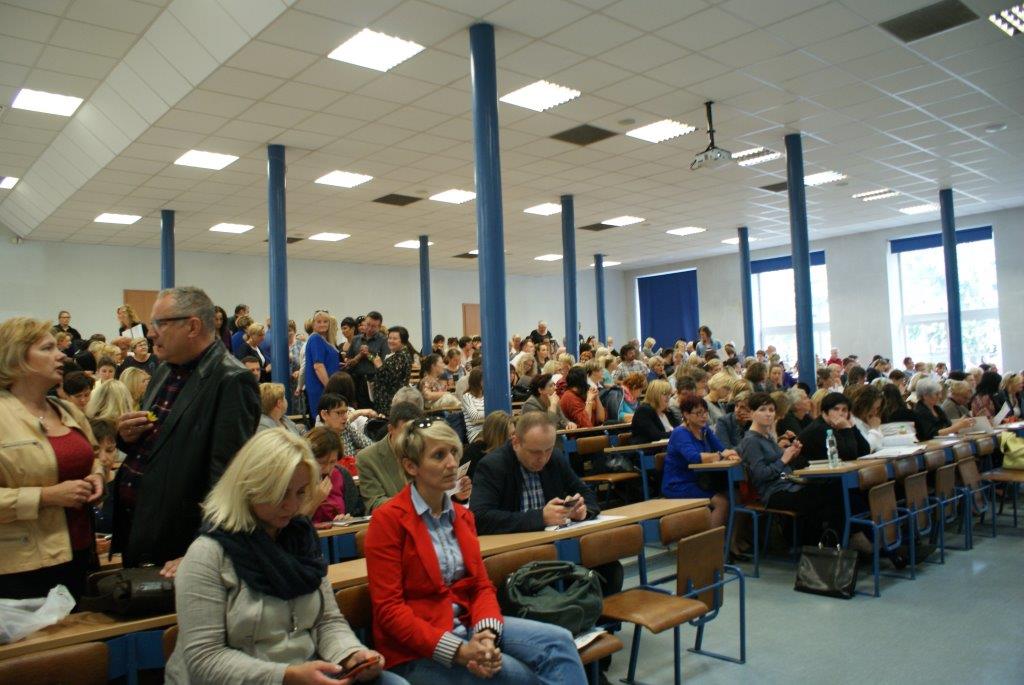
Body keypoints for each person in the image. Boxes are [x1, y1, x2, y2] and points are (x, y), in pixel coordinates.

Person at [165, 429, 399, 685]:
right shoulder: (207, 555)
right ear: (249, 487)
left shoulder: (300, 540)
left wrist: (351, 655)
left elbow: (327, 621)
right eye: (281, 494)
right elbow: (205, 659)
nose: (293, 506)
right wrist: (286, 675)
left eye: (301, 492)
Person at [365, 417, 585, 684]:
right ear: (411, 466)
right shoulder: (388, 520)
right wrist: (460, 651)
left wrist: (487, 634)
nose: (451, 463)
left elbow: (480, 586)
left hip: (468, 624)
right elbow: (390, 611)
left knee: (560, 644)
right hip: (416, 647)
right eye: (439, 455)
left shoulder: (462, 516)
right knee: (519, 676)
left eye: (453, 452)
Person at [113, 286, 260, 574]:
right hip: (142, 530)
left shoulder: (231, 380)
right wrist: (128, 437)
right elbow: (161, 443)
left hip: (181, 545)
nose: (150, 333)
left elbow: (227, 479)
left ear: (193, 326)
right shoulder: (165, 369)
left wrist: (204, 548)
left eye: (160, 323)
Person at [0, 317, 105, 600]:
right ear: (16, 359)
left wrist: (97, 476)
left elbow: (93, 457)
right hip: (21, 567)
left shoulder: (67, 411)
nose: (61, 355)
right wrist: (46, 496)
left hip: (80, 551)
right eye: (47, 349)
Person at [740, 393, 866, 547]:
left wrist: (793, 455)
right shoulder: (751, 441)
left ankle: (834, 543)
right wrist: (784, 459)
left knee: (835, 489)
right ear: (752, 413)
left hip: (790, 485)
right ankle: (836, 543)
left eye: (771, 410)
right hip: (774, 493)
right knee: (835, 493)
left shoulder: (767, 437)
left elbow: (782, 464)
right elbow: (760, 475)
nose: (768, 414)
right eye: (762, 409)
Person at [470, 412, 599, 535]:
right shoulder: (493, 466)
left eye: (548, 450)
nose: (543, 458)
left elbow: (587, 494)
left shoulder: (555, 458)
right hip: (512, 546)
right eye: (534, 452)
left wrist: (583, 510)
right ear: (515, 443)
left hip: (554, 541)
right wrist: (540, 518)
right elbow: (479, 518)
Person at [662, 394, 737, 529]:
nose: (704, 417)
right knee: (722, 503)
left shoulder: (705, 430)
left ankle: (730, 539)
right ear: (686, 414)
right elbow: (694, 458)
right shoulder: (680, 433)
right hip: (679, 484)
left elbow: (722, 449)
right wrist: (721, 455)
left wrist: (729, 455)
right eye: (698, 413)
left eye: (705, 412)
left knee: (736, 495)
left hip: (701, 481)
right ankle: (712, 541)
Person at [357, 403, 441, 513]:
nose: (410, 438)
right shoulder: (367, 458)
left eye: (416, 433)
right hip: (394, 519)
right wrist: (415, 502)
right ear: (390, 429)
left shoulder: (426, 451)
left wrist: (456, 494)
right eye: (405, 432)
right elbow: (375, 503)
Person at [796, 392, 870, 469]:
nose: (840, 413)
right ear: (825, 412)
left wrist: (852, 426)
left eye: (844, 410)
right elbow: (849, 456)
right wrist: (846, 428)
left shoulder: (836, 425)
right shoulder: (820, 428)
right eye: (836, 409)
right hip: (809, 473)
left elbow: (865, 451)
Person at [305, 427, 364, 524]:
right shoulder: (299, 478)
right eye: (321, 463)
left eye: (332, 462)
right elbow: (292, 523)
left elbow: (356, 512)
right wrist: (315, 502)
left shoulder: (342, 474)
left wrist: (348, 518)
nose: (327, 469)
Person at [316, 393, 371, 476]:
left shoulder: (347, 429)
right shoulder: (319, 438)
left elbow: (370, 446)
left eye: (345, 412)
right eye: (339, 413)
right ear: (324, 414)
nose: (345, 417)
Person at [345, 311, 387, 409]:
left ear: (379, 327)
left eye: (373, 326)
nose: (369, 328)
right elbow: (348, 362)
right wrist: (360, 355)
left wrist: (368, 354)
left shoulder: (384, 341)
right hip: (356, 381)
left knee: (374, 410)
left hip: (374, 381)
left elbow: (383, 364)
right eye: (368, 324)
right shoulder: (356, 339)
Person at [304, 311, 340, 424]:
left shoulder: (324, 339)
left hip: (325, 386)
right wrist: (329, 387)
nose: (322, 324)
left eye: (325, 321)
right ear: (313, 324)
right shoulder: (316, 339)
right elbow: (318, 366)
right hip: (321, 387)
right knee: (323, 420)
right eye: (319, 322)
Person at [460, 411, 514, 480]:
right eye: (509, 436)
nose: (513, 438)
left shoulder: (511, 451)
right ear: (497, 436)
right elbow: (459, 479)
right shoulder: (474, 451)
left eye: (514, 434)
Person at [373, 326, 413, 415]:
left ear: (403, 340)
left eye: (395, 339)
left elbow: (391, 379)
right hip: (389, 400)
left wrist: (379, 366)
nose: (391, 341)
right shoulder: (399, 355)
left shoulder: (401, 357)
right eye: (389, 338)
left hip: (390, 402)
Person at [630, 379, 679, 443]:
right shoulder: (643, 411)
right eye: (665, 394)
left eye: (669, 394)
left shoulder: (668, 412)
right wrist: (677, 434)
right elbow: (656, 436)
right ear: (655, 395)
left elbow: (679, 429)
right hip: (650, 448)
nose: (668, 397)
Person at [848, 385, 884, 453]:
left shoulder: (871, 419)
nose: (875, 412)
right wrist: (874, 429)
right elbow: (867, 448)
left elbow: (880, 444)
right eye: (871, 408)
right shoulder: (852, 421)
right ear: (861, 405)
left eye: (878, 408)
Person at [461, 368, 486, 442]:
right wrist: (492, 411)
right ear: (476, 381)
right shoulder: (467, 396)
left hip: (488, 428)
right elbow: (475, 416)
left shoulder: (487, 395)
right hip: (475, 433)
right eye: (483, 379)